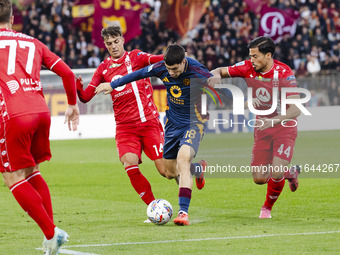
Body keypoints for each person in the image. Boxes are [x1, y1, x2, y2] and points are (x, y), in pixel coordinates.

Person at [95, 44, 222, 226]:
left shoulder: (196, 69)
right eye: (169, 69)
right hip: (172, 124)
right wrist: (113, 84)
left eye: (175, 69)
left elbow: (220, 87)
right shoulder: (161, 66)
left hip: (194, 122)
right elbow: (138, 74)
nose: (171, 73)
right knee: (169, 172)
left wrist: (244, 99)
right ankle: (197, 169)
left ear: (183, 62)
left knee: (183, 159)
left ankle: (183, 213)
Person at [0, 1, 80, 254]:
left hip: (13, 114)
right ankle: (51, 236)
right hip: (40, 110)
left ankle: (51, 233)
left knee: (12, 175)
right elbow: (67, 73)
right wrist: (72, 105)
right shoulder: (33, 42)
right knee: (31, 169)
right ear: (13, 17)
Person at [76, 25, 167, 220]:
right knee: (130, 164)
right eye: (109, 44)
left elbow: (160, 59)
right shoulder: (103, 69)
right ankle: (154, 207)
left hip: (148, 122)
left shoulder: (136, 57)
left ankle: (194, 169)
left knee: (166, 171)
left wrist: (174, 54)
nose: (113, 46)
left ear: (122, 40)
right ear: (105, 45)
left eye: (116, 41)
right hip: (125, 128)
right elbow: (85, 97)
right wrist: (76, 86)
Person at [208, 36, 301, 219]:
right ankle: (290, 173)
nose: (252, 60)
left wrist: (273, 120)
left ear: (268, 56)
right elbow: (218, 70)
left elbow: (296, 109)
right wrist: (215, 77)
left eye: (255, 56)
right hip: (262, 127)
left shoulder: (284, 73)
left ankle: (266, 208)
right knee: (259, 179)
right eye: (250, 56)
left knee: (275, 171)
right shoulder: (247, 67)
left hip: (285, 126)